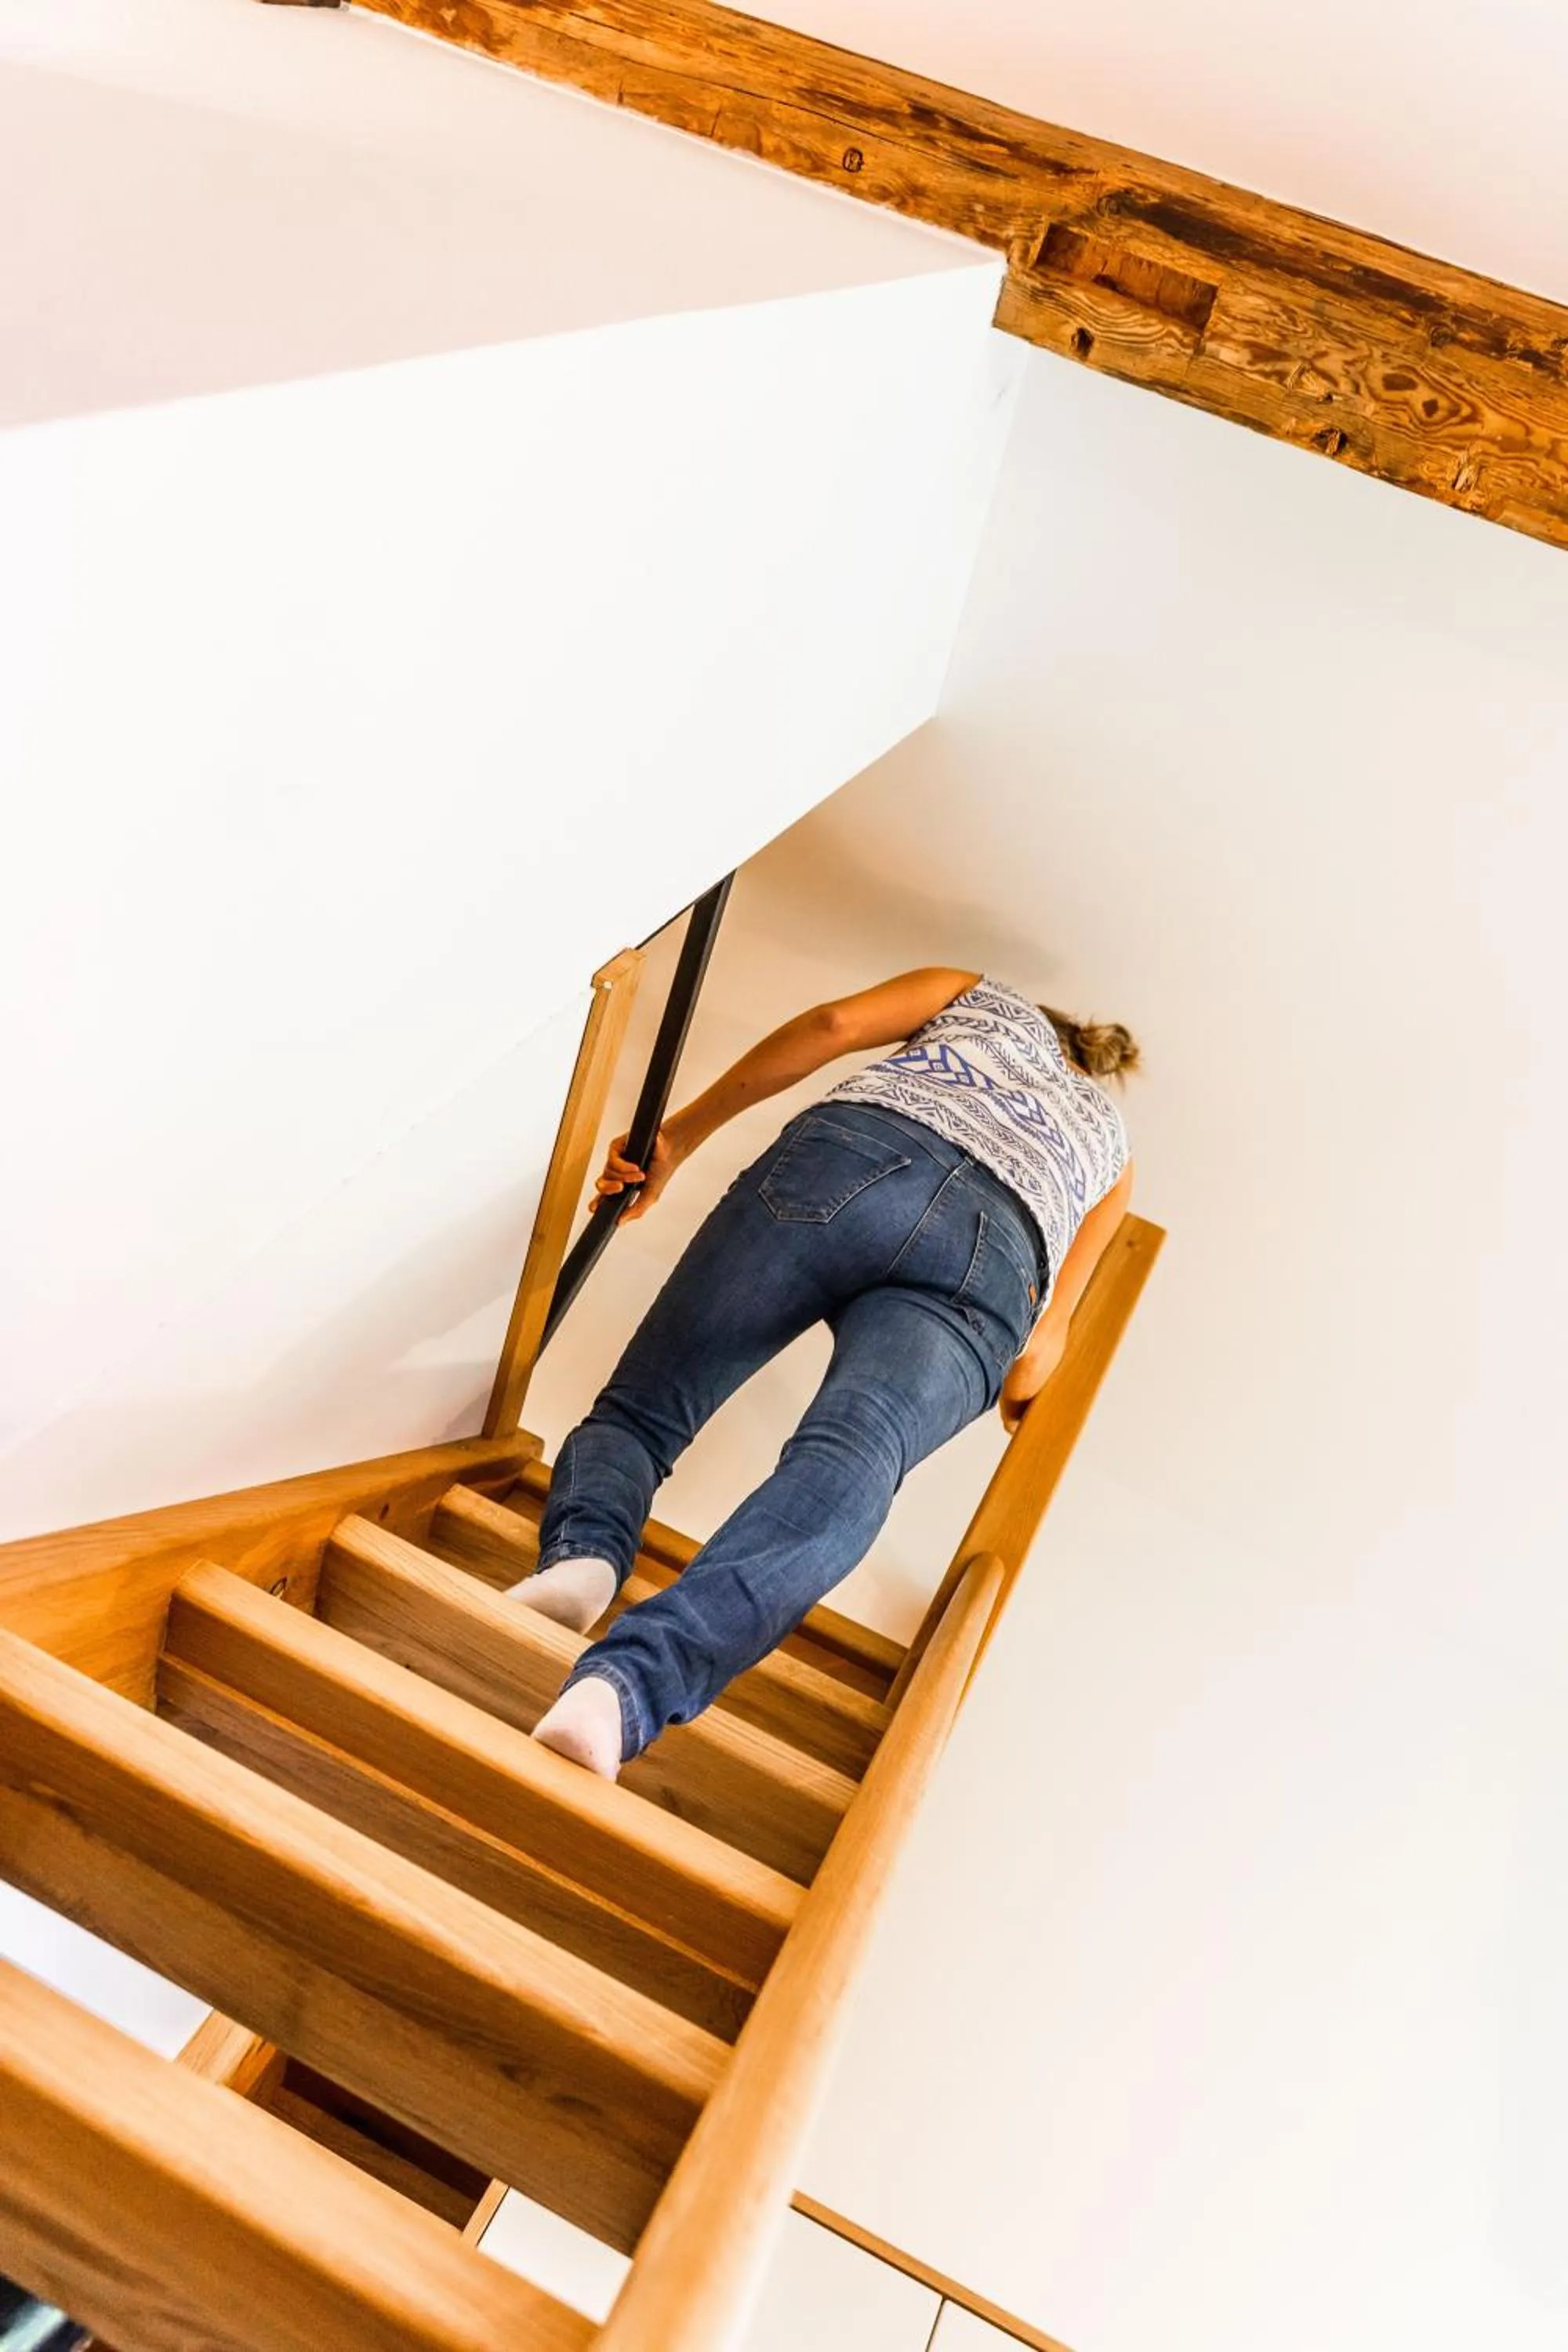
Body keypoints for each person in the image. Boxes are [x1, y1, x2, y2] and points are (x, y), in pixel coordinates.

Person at [515, 967, 1138, 1778]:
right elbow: (1040, 1351)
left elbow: (833, 1026)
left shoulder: (978, 993)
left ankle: (584, 1557)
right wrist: (1016, 1396)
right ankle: (626, 1692)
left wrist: (678, 1137)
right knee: (851, 1466)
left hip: (860, 1153)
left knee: (648, 1407)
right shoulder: (1114, 1154)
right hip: (996, 1261)